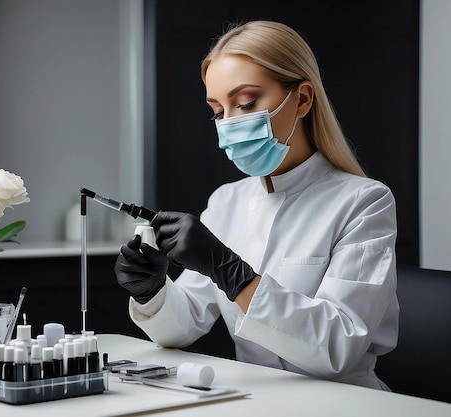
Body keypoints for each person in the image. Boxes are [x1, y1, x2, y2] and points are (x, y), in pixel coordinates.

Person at [114, 20, 399, 390]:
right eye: (218, 111)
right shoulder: (226, 202)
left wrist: (235, 275)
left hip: (345, 401)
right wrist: (151, 290)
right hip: (257, 398)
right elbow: (184, 325)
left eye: (246, 103)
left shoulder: (364, 203)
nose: (229, 123)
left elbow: (338, 346)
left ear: (302, 99)